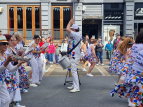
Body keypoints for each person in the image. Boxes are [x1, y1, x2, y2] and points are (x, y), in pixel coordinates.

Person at [110, 32, 143, 107]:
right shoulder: (140, 46)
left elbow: (129, 56)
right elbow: (128, 56)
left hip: (128, 64)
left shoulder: (135, 46)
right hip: (133, 65)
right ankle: (129, 96)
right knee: (132, 81)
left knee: (127, 79)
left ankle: (120, 86)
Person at [0, 36, 25, 107]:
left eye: (6, 43)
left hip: (2, 81)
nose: (6, 45)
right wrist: (6, 62)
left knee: (6, 99)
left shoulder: (5, 55)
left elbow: (11, 69)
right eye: (3, 43)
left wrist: (19, 64)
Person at [66, 19, 82, 93]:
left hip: (75, 56)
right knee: (73, 71)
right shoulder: (74, 36)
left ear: (74, 30)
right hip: (73, 55)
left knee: (73, 71)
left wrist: (70, 22)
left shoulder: (76, 34)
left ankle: (76, 87)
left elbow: (67, 29)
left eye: (71, 29)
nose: (70, 30)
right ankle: (74, 85)